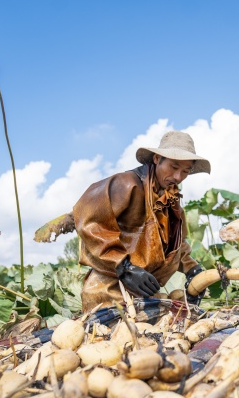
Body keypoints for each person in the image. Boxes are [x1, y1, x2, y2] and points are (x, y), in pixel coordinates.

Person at [73, 131, 211, 320]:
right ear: (157, 159)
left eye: (185, 171)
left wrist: (192, 269)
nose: (178, 176)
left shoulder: (171, 201)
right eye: (173, 167)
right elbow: (91, 222)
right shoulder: (126, 185)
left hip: (145, 292)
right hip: (109, 290)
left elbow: (176, 247)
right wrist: (124, 267)